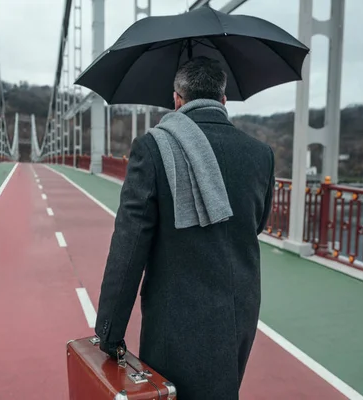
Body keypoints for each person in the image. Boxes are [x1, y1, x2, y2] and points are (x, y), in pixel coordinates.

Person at [94, 56, 275, 399]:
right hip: (240, 310)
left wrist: (110, 331)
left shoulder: (153, 148)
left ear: (177, 100)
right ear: (223, 101)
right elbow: (257, 224)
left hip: (175, 318)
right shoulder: (260, 154)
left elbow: (129, 247)